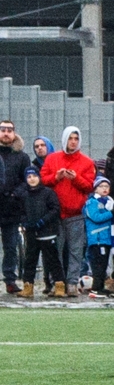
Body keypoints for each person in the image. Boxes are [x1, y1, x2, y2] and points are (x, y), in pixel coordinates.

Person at [38, 125, 96, 293]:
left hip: (75, 213)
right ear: (64, 139)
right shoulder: (52, 159)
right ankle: (57, 282)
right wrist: (56, 177)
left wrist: (76, 178)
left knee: (76, 250)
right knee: (55, 250)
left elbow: (89, 186)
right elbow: (42, 180)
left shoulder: (86, 162)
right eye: (70, 138)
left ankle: (72, 282)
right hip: (55, 214)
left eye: (76, 139)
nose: (73, 142)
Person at [19, 166, 64, 299]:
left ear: (39, 177)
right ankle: (28, 286)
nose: (31, 179)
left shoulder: (48, 193)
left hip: (47, 231)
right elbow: (21, 212)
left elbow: (55, 209)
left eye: (34, 176)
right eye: (28, 177)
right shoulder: (24, 195)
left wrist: (43, 221)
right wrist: (25, 222)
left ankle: (59, 285)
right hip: (32, 232)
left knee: (52, 259)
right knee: (30, 259)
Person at [0, 119, 26, 294]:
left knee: (10, 246)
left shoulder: (22, 157)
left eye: (10, 130)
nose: (6, 133)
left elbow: (27, 181)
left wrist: (15, 194)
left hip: (11, 208)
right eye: (3, 129)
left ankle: (10, 279)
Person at [84, 176, 114, 296]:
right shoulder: (92, 202)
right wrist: (111, 213)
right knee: (97, 265)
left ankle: (100, 286)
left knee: (103, 264)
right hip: (96, 239)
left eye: (106, 186)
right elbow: (96, 217)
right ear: (95, 189)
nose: (104, 189)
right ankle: (96, 287)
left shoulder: (110, 202)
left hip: (106, 239)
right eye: (101, 186)